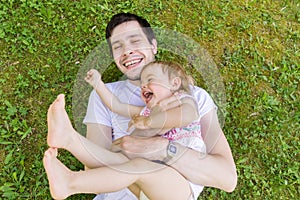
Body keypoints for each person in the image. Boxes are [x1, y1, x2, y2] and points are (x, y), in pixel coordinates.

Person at [83, 12, 237, 200]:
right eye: (118, 46)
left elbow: (227, 179)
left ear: (153, 45)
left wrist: (163, 148)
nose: (127, 51)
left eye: (135, 41)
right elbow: (94, 168)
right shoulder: (103, 96)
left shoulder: (195, 96)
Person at [43, 61, 206, 200]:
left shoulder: (184, 100)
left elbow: (184, 116)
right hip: (148, 188)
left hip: (182, 185)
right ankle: (68, 138)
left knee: (138, 165)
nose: (144, 85)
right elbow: (117, 106)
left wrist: (149, 122)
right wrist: (98, 85)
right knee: (116, 161)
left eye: (150, 79)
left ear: (175, 83)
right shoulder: (147, 111)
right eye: (142, 82)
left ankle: (71, 182)